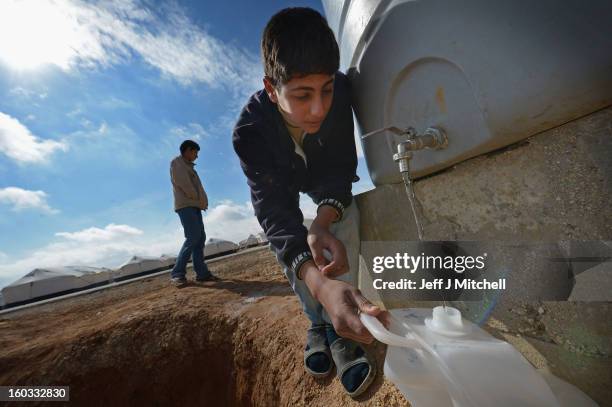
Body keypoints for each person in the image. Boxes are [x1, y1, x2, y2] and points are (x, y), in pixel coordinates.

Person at [232, 7, 389, 398]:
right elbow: (276, 216)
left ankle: (343, 326)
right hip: (283, 182)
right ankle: (319, 323)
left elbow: (340, 169)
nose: (319, 108)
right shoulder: (250, 133)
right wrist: (317, 283)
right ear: (272, 89)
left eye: (326, 90)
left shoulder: (340, 96)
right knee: (293, 245)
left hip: (321, 178)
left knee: (342, 219)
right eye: (302, 96)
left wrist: (322, 222)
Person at [170, 140, 217, 286]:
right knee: (193, 237)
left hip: (194, 205)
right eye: (195, 152)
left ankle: (202, 274)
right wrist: (196, 199)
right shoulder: (177, 163)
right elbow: (183, 183)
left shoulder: (189, 166)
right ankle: (177, 274)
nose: (196, 156)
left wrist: (201, 202)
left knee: (200, 238)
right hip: (186, 205)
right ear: (188, 150)